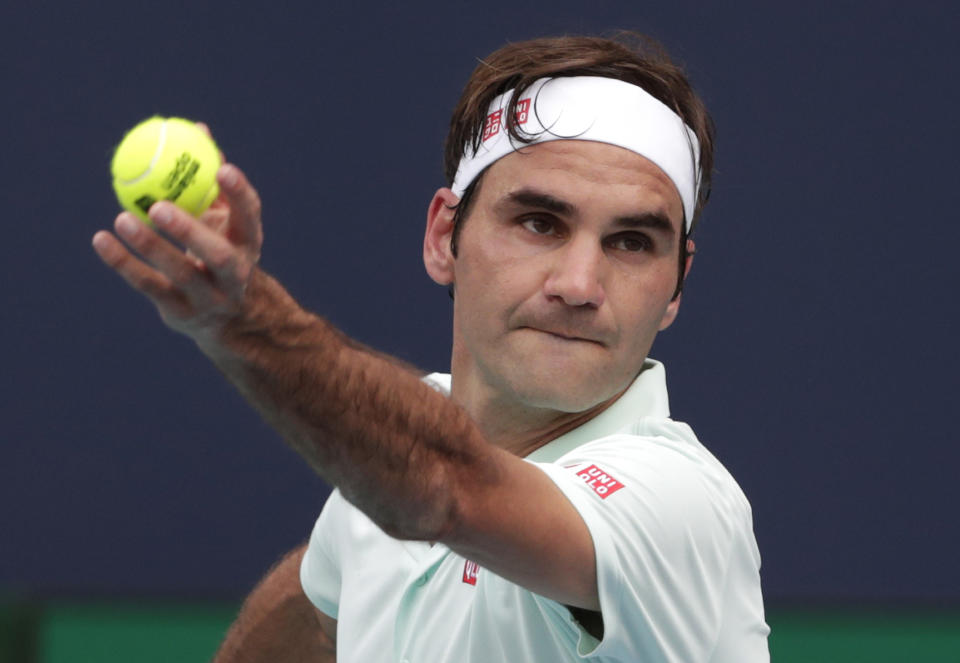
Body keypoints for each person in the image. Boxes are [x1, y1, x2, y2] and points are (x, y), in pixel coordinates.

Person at [93, 33, 769, 663]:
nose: (579, 284)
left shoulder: (681, 499)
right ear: (445, 234)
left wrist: (248, 323)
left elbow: (445, 486)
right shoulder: (386, 471)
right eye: (540, 222)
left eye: (631, 242)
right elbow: (319, 591)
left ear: (676, 284)